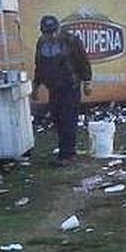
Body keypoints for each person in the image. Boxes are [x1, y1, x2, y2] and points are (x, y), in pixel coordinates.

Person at [31, 15, 92, 164]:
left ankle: (67, 155)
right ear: (42, 32)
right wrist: (36, 87)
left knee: (68, 120)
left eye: (53, 32)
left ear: (59, 29)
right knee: (57, 120)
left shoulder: (71, 41)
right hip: (53, 88)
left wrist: (87, 82)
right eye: (47, 32)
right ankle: (64, 150)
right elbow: (39, 66)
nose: (50, 35)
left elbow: (83, 61)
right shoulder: (41, 43)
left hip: (70, 86)